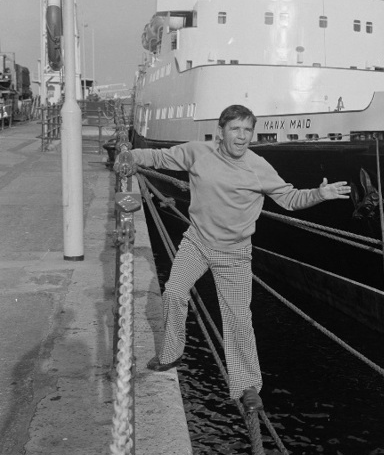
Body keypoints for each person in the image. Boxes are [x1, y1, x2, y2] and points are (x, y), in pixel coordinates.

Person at [114, 104, 351, 412]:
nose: (242, 137)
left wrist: (320, 194)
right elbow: (161, 157)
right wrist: (132, 156)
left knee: (238, 319)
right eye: (235, 129)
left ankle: (248, 386)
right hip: (197, 241)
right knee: (173, 292)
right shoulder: (199, 151)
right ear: (221, 130)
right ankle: (171, 353)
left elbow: (290, 199)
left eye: (247, 130)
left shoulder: (259, 167)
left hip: (235, 253)